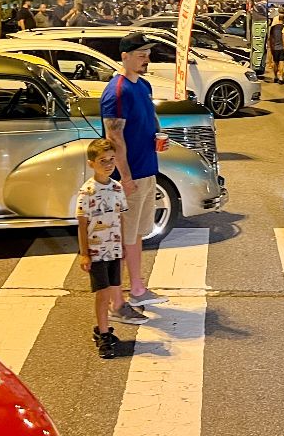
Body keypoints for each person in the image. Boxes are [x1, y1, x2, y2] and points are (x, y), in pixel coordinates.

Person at [101, 32, 169, 317]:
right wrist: (125, 178)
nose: (146, 60)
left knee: (136, 235)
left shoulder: (142, 86)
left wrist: (156, 137)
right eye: (140, 55)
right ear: (125, 57)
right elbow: (114, 138)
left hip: (146, 171)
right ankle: (117, 304)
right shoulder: (117, 91)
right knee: (119, 239)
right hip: (127, 178)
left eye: (148, 54)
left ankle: (138, 288)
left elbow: (146, 122)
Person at [77, 137, 131, 358]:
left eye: (111, 159)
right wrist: (84, 253)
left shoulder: (117, 188)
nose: (108, 164)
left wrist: (123, 244)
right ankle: (103, 334)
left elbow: (121, 217)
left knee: (111, 289)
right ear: (91, 163)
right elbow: (82, 223)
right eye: (102, 160)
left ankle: (103, 328)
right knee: (103, 294)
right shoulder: (88, 191)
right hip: (97, 251)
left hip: (114, 248)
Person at [267, 13, 284, 83]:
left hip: (275, 47)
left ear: (278, 19)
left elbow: (270, 38)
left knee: (275, 62)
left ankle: (275, 76)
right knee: (281, 62)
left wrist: (270, 46)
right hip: (282, 47)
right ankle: (281, 77)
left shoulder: (273, 28)